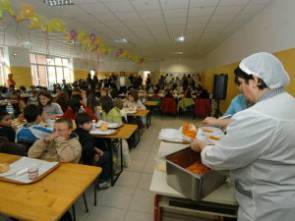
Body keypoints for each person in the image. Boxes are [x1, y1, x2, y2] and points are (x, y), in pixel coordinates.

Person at [191, 52, 295, 221]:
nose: (239, 88)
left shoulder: (255, 116)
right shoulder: (289, 103)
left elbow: (218, 159)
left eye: (240, 83)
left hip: (264, 208)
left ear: (255, 80)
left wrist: (202, 145)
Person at [74, 113, 111, 187]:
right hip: (85, 161)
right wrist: (95, 155)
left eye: (90, 122)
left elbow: (85, 145)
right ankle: (104, 181)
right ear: (80, 125)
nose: (90, 124)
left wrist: (95, 149)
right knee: (107, 155)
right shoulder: (87, 136)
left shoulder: (75, 132)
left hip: (78, 158)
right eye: (87, 123)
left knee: (101, 149)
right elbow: (88, 148)